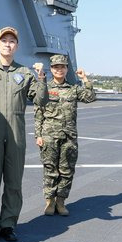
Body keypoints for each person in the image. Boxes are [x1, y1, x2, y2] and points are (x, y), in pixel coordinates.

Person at [0, 26, 48, 242]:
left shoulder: (25, 74)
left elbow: (41, 100)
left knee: (14, 181)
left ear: (16, 46)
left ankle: (8, 223)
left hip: (16, 134)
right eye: (4, 40)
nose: (8, 44)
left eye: (12, 41)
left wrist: (42, 77)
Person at [34, 54, 96, 216]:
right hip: (49, 136)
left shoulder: (73, 89)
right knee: (50, 169)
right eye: (56, 67)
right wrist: (38, 135)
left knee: (67, 170)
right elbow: (38, 112)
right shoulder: (45, 88)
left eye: (62, 67)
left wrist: (85, 79)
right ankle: (50, 201)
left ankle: (61, 201)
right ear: (51, 69)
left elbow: (90, 97)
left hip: (69, 137)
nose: (59, 70)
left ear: (67, 69)